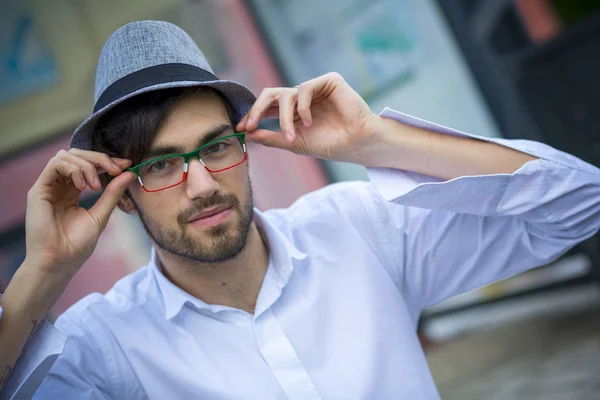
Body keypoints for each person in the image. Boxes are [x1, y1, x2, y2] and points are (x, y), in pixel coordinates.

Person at [2, 20, 597, 399]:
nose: (203, 183)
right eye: (160, 165)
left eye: (216, 147)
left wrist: (378, 142)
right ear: (121, 194)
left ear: (245, 144)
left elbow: (579, 202)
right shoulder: (105, 345)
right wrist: (43, 271)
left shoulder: (357, 232)